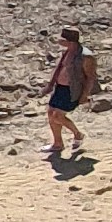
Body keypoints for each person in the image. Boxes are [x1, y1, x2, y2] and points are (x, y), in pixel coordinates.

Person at [44, 25, 94, 169]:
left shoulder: (85, 56)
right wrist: (50, 85)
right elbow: (59, 68)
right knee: (50, 113)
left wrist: (84, 95)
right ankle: (57, 143)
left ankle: (78, 134)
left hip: (72, 90)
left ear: (70, 41)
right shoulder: (67, 52)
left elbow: (90, 77)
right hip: (60, 87)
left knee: (58, 116)